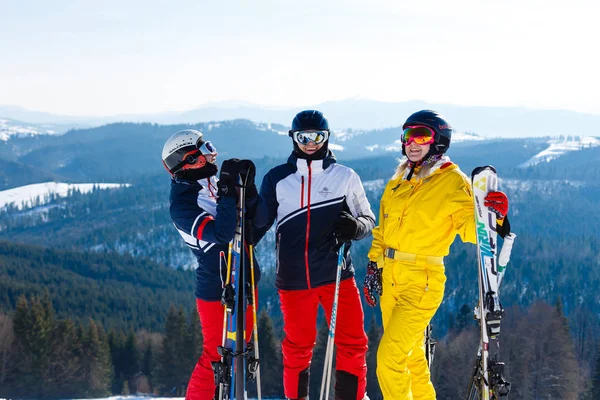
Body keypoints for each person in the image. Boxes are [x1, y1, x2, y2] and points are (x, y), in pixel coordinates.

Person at [362, 110, 511, 399]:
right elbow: (383, 228)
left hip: (422, 282)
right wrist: (373, 266)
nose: (412, 143)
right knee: (412, 359)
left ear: (438, 141)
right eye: (408, 136)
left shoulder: (451, 181)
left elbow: (472, 228)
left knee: (389, 360)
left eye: (422, 136)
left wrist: (496, 217)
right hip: (391, 278)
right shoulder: (399, 180)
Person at [254, 110, 376, 400]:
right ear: (293, 139)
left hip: (336, 275)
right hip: (294, 280)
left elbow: (368, 219)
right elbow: (258, 225)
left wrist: (355, 226)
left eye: (317, 136)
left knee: (353, 343)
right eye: (303, 137)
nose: (311, 143)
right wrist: (242, 199)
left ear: (327, 137)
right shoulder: (277, 179)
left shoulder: (345, 177)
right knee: (297, 347)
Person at [161, 129, 260, 400]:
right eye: (202, 152)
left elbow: (256, 227)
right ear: (186, 164)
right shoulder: (182, 205)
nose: (210, 154)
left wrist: (248, 192)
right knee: (216, 353)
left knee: (242, 349)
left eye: (209, 146)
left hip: (244, 278)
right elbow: (222, 234)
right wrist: (229, 192)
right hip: (216, 288)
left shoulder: (212, 184)